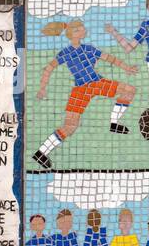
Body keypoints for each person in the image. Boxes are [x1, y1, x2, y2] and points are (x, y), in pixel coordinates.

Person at [31, 20, 137, 169]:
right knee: (70, 126)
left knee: (129, 90)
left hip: (96, 83)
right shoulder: (66, 53)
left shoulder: (89, 49)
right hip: (81, 89)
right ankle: (41, 153)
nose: (83, 30)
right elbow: (48, 68)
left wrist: (126, 67)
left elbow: (110, 58)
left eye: (82, 28)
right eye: (78, 29)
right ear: (71, 34)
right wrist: (42, 88)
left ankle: (114, 124)